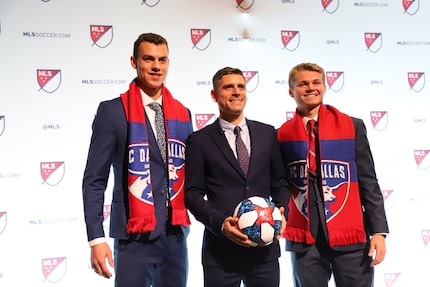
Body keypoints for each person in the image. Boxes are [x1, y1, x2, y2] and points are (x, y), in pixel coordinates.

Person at [82, 33, 193, 287]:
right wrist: (96, 239)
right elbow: (94, 180)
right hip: (134, 237)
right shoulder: (112, 111)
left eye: (162, 60)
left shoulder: (183, 113)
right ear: (134, 61)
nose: (156, 66)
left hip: (176, 236)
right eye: (148, 59)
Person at [277, 62, 389, 287]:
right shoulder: (281, 134)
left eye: (316, 82)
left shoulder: (352, 126)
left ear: (325, 87)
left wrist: (379, 232)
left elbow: (369, 181)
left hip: (351, 238)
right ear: (291, 91)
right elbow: (279, 183)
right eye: (303, 84)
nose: (310, 88)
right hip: (305, 240)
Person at [185, 67, 290, 287]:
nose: (236, 92)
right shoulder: (199, 140)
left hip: (265, 253)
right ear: (214, 95)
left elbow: (280, 183)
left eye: (240, 86)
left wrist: (281, 211)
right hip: (220, 254)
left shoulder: (267, 133)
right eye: (228, 87)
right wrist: (221, 224)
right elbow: (192, 194)